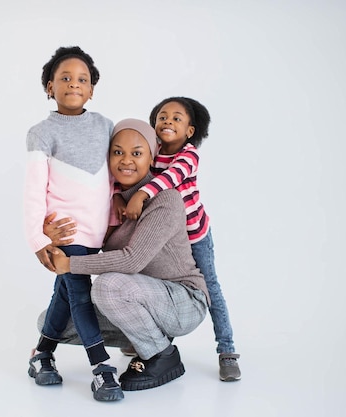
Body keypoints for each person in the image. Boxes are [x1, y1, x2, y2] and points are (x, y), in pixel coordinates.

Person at [47, 118, 210, 392]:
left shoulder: (165, 200)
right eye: (118, 152)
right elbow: (84, 243)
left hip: (185, 300)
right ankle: (140, 339)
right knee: (51, 322)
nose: (126, 160)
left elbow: (132, 260)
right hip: (140, 300)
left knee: (108, 285)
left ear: (151, 157)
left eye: (137, 153)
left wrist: (71, 264)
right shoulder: (109, 202)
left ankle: (162, 355)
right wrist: (52, 235)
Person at [114, 96, 241, 381]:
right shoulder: (151, 149)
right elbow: (126, 170)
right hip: (164, 236)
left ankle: (227, 350)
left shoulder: (188, 154)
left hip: (194, 235)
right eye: (162, 116)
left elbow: (169, 178)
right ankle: (147, 338)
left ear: (190, 131)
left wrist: (141, 195)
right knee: (159, 284)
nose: (167, 121)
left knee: (210, 288)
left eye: (176, 118)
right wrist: (116, 198)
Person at [22, 46, 123, 402]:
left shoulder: (105, 126)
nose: (73, 84)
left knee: (63, 294)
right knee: (79, 291)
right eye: (64, 78)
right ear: (50, 87)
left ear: (92, 89)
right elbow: (34, 192)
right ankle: (101, 367)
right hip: (64, 230)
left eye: (82, 79)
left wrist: (113, 223)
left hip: (97, 230)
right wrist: (38, 239)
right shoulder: (41, 132)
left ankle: (42, 354)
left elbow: (111, 182)